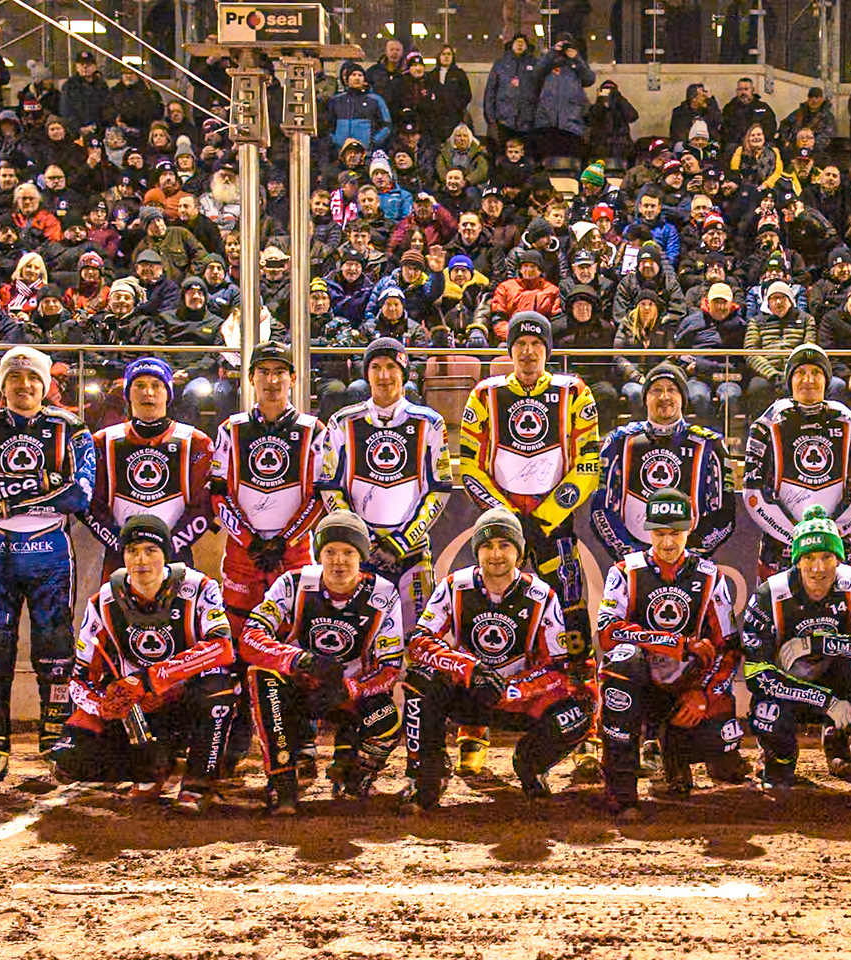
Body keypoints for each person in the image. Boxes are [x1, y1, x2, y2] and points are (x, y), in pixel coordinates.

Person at [456, 312, 602, 779]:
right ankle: (471, 732)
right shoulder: (485, 394)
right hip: (500, 534)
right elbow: (467, 466)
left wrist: (542, 519)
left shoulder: (574, 392)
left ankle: (587, 733)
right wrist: (508, 520)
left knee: (575, 629)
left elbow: (589, 464)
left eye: (537, 344)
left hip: (555, 533)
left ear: (548, 350)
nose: (528, 352)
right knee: (480, 621)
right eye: (520, 343)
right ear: (509, 348)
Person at [0, 345, 96, 787]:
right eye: (15, 378)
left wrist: (10, 496)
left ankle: (55, 740)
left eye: (33, 378)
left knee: (55, 652)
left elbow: (79, 495)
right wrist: (42, 483)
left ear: (46, 384)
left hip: (51, 552)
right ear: (2, 384)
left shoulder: (70, 427)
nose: (24, 386)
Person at [399, 507, 594, 810]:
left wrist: (514, 690)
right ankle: (428, 774)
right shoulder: (454, 585)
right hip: (469, 694)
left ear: (520, 551)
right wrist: (468, 669)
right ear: (477, 551)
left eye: (505, 545)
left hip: (518, 700)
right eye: (487, 546)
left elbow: (558, 668)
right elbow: (419, 643)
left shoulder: (543, 595)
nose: (496, 554)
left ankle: (531, 763)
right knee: (420, 680)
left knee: (580, 710)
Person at [46, 514, 239, 813]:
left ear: (166, 555)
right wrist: (103, 706)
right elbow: (78, 677)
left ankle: (198, 782)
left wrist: (151, 679)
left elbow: (222, 648)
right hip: (136, 711)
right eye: (132, 551)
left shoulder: (199, 588)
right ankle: (150, 767)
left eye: (151, 550)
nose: (141, 560)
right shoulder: (103, 601)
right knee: (69, 760)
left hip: (187, 700)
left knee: (221, 687)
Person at [234, 511, 406, 813]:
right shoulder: (294, 583)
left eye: (348, 552)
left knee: (388, 719)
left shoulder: (383, 592)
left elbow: (391, 668)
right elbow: (250, 637)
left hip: (349, 693)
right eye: (330, 552)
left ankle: (354, 769)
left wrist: (351, 689)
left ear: (361, 556)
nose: (339, 561)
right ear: (318, 555)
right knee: (259, 674)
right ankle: (282, 780)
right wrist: (296, 659)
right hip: (301, 687)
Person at [594, 488, 744, 817]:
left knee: (726, 737)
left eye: (675, 533)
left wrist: (703, 695)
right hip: (637, 689)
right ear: (648, 530)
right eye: (660, 533)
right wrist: (676, 643)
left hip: (684, 690)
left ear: (689, 528)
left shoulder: (710, 577)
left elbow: (729, 649)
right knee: (622, 660)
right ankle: (622, 788)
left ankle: (674, 755)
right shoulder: (623, 572)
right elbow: (607, 632)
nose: (667, 543)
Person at [741, 505, 851, 810]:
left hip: (840, 681)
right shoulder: (769, 594)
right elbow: (757, 673)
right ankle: (779, 771)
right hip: (789, 688)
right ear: (796, 561)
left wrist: (821, 644)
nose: (818, 569)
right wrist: (826, 702)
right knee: (766, 711)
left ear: (839, 559)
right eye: (809, 558)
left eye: (827, 557)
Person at [316, 337, 452, 629]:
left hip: (412, 552)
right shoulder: (342, 422)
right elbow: (330, 487)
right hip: (360, 552)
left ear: (404, 374)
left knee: (417, 638)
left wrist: (401, 543)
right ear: (366, 374)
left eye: (392, 366)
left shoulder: (431, 422)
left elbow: (438, 491)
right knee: (357, 635)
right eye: (375, 367)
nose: (384, 375)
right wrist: (364, 539)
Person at [208, 342, 327, 634]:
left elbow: (319, 497)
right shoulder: (230, 429)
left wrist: (284, 542)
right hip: (242, 553)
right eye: (263, 372)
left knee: (292, 631)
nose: (272, 381)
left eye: (280, 372)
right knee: (236, 634)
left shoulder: (313, 430)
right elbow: (218, 494)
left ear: (293, 378)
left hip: (294, 552)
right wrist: (250, 542)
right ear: (250, 378)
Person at [742, 343, 851, 579]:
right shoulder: (766, 424)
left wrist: (829, 533)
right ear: (789, 380)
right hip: (778, 549)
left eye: (816, 372)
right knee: (774, 612)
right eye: (800, 372)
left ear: (826, 380)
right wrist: (796, 535)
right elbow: (753, 493)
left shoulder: (850, 422)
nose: (808, 379)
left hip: (837, 544)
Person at [591, 362, 735, 563]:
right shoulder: (619, 441)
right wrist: (632, 557)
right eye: (656, 390)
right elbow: (601, 511)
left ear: (683, 398)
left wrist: (688, 557)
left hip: (690, 566)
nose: (664, 397)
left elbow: (724, 516)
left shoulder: (711, 445)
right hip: (631, 563)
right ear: (645, 399)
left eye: (672, 390)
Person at [87, 358, 214, 576]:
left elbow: (204, 506)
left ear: (168, 392)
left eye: (156, 385)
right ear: (127, 392)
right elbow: (90, 504)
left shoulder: (196, 442)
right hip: (120, 559)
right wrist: (123, 545)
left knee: (182, 611)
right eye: (139, 385)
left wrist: (169, 546)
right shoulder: (101, 441)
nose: (148, 392)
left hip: (176, 557)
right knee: (113, 611)